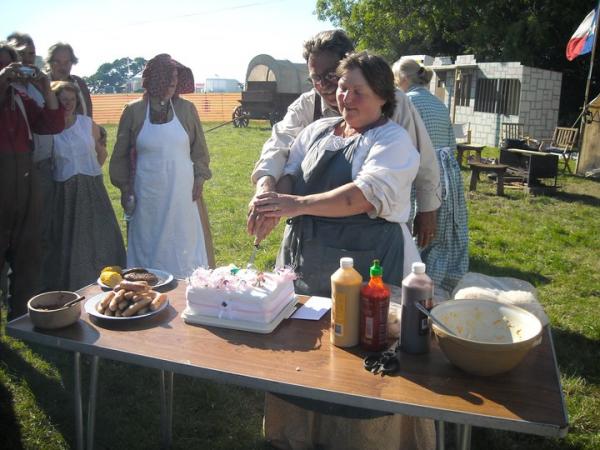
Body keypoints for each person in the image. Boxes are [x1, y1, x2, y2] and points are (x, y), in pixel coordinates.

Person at [253, 51, 435, 450]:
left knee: (363, 357)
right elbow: (291, 169)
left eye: (358, 91)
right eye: (342, 87)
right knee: (304, 349)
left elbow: (363, 196)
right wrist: (271, 198)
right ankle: (300, 437)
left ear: (383, 97)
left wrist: (295, 205)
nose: (346, 97)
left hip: (370, 265)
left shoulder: (392, 140)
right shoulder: (318, 129)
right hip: (309, 259)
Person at [248, 30, 441, 249]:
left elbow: (422, 159)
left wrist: (427, 210)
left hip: (372, 237)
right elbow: (279, 145)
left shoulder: (394, 105)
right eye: (315, 78)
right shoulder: (308, 110)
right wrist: (266, 191)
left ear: (348, 64)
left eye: (331, 75)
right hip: (315, 236)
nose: (323, 85)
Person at [110, 54, 214, 278]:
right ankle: (147, 286)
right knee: (148, 245)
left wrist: (199, 178)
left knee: (183, 243)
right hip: (147, 194)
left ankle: (187, 287)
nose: (172, 84)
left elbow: (199, 150)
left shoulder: (187, 110)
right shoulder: (134, 111)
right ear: (155, 79)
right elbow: (120, 155)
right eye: (167, 79)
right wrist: (125, 188)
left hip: (182, 192)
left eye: (175, 79)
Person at [0, 41, 64, 320]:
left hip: (25, 178)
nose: (9, 72)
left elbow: (52, 125)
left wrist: (45, 88)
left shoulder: (21, 98)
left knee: (29, 249)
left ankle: (20, 317)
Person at [393, 58, 469, 293]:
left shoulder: (405, 102)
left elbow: (400, 142)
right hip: (447, 174)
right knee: (442, 233)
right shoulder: (438, 103)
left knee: (417, 230)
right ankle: (441, 279)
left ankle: (416, 281)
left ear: (402, 79)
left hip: (422, 172)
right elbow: (451, 146)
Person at [46, 81, 125, 291]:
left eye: (72, 99)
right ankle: (74, 285)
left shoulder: (86, 123)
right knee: (70, 241)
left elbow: (101, 153)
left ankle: (107, 281)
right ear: (55, 101)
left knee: (99, 237)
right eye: (63, 100)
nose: (68, 104)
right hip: (65, 192)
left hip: (91, 187)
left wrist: (89, 174)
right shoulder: (50, 128)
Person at [7, 32, 56, 291]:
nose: (27, 60)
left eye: (31, 54)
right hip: (8, 174)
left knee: (34, 240)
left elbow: (51, 123)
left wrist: (45, 89)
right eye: (21, 55)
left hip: (34, 170)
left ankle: (28, 299)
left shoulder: (29, 93)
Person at [46, 42, 93, 117]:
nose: (62, 67)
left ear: (72, 63)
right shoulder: (41, 84)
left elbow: (88, 113)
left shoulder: (80, 83)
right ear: (49, 63)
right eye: (57, 62)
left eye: (67, 62)